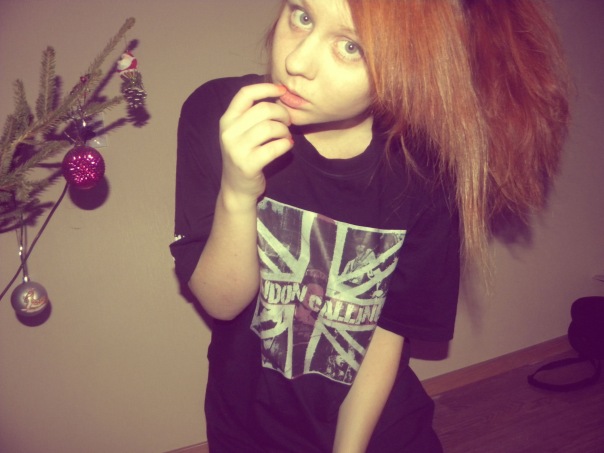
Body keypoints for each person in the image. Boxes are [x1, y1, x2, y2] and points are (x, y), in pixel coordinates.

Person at [170, 0, 570, 451]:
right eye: (302, 15)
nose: (296, 61)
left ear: (409, 68)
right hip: (248, 425)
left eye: (350, 46)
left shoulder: (427, 169)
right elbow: (221, 303)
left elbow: (386, 332)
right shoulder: (220, 113)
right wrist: (238, 193)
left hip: (376, 426)